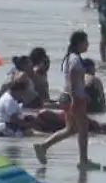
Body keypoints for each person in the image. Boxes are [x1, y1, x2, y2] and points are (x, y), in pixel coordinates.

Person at [34, 31, 95, 168]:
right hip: (74, 98)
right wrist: (76, 98)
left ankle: (43, 146)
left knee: (71, 129)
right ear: (79, 43)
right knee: (83, 129)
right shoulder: (74, 59)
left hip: (68, 96)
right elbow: (73, 80)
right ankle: (83, 161)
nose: (88, 44)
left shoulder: (70, 57)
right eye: (86, 41)